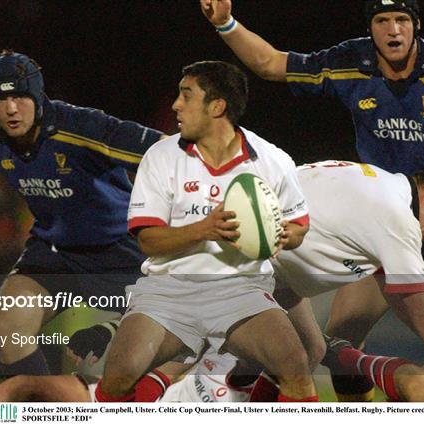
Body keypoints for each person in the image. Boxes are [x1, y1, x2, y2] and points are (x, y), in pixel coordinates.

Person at [200, 0, 424, 400]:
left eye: (402, 20)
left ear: (416, 27)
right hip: (384, 223)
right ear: (370, 28)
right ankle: (373, 402)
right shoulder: (350, 62)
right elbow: (270, 63)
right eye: (382, 21)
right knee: (338, 343)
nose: (393, 31)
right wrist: (225, 23)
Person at [95, 60, 315, 403]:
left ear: (217, 106)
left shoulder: (272, 159)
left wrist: (285, 234)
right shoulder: (161, 156)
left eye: (186, 95)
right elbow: (148, 240)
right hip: (169, 289)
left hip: (241, 289)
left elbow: (300, 224)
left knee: (296, 365)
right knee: (118, 377)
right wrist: (203, 229)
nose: (175, 105)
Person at [0, 49, 164, 376]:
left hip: (121, 251)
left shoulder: (81, 127)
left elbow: (166, 152)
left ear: (39, 99)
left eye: (21, 97)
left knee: (128, 360)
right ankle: (47, 408)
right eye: (0, 99)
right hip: (54, 251)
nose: (10, 108)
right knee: (9, 323)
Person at [255, 161, 424, 402]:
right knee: (284, 359)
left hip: (271, 266)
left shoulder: (380, 182)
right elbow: (423, 306)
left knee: (309, 349)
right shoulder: (398, 216)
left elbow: (402, 299)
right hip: (247, 266)